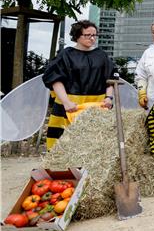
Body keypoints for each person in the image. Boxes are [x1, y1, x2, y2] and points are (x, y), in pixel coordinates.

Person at [41, 20, 116, 150]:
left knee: (94, 145)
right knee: (63, 144)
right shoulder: (65, 55)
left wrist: (109, 98)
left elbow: (110, 79)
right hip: (70, 105)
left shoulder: (101, 55)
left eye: (94, 35)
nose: (92, 38)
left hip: (96, 105)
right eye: (87, 35)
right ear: (77, 36)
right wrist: (66, 102)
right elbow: (55, 80)